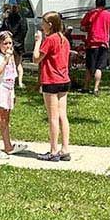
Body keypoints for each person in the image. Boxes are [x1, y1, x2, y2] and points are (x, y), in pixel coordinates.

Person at [33, 11, 71, 162]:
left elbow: (36, 59)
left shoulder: (50, 39)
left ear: (49, 24)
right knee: (63, 115)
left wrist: (38, 41)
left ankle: (54, 150)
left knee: (53, 117)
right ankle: (65, 149)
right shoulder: (64, 40)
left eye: (43, 23)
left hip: (51, 80)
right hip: (64, 80)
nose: (41, 26)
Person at [0, 30, 21, 159]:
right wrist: (5, 60)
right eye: (5, 43)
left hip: (8, 91)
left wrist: (13, 94)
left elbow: (12, 77)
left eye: (10, 43)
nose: (8, 46)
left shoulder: (12, 59)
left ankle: (8, 146)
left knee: (5, 120)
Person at [81, 0, 110, 95]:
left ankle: (86, 87)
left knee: (89, 67)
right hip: (103, 44)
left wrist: (90, 29)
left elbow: (82, 27)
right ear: (105, 4)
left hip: (91, 44)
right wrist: (107, 32)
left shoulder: (90, 13)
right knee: (99, 67)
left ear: (96, 3)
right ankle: (96, 88)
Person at [4, 0, 27, 87]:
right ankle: (17, 81)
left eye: (15, 7)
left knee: (16, 63)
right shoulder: (12, 18)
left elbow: (23, 31)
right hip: (15, 42)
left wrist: (14, 41)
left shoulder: (14, 18)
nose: (14, 8)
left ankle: (18, 81)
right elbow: (24, 31)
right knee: (15, 63)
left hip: (15, 43)